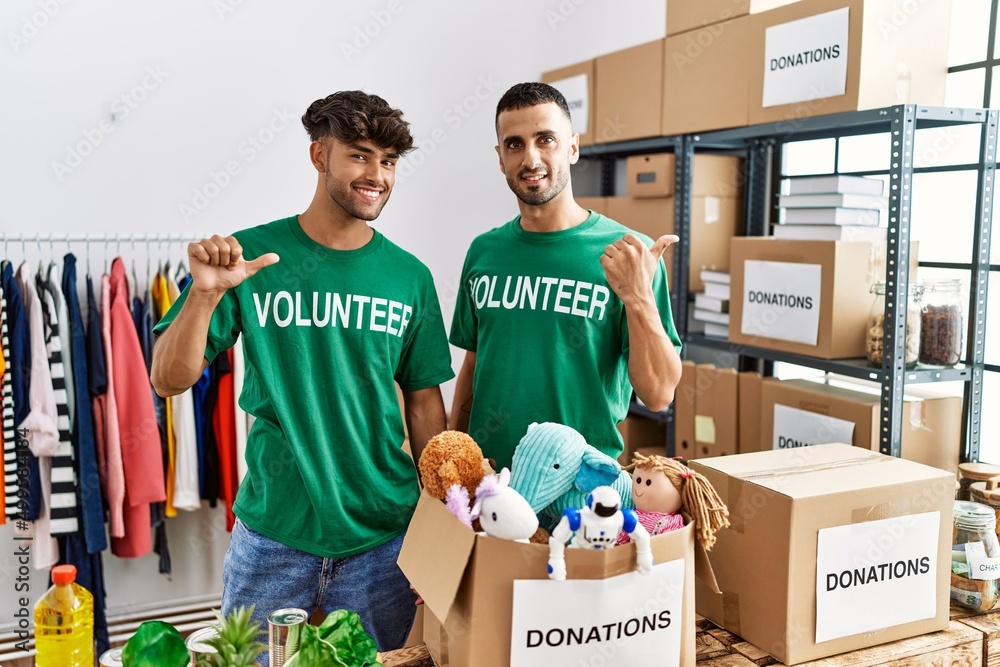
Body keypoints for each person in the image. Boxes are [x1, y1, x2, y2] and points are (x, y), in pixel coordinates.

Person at [150, 91, 454, 662]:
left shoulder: (409, 277)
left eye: (388, 162)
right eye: (360, 156)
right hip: (273, 532)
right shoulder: (250, 258)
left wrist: (437, 517)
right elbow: (168, 379)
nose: (377, 176)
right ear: (319, 155)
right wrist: (204, 297)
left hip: (382, 535)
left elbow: (422, 404)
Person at [448, 82, 683, 470]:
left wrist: (638, 297)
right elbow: (474, 365)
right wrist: (456, 456)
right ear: (500, 157)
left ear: (572, 147)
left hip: (581, 489)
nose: (531, 158)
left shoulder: (630, 255)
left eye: (546, 140)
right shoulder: (484, 252)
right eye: (514, 144)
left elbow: (658, 395)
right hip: (490, 485)